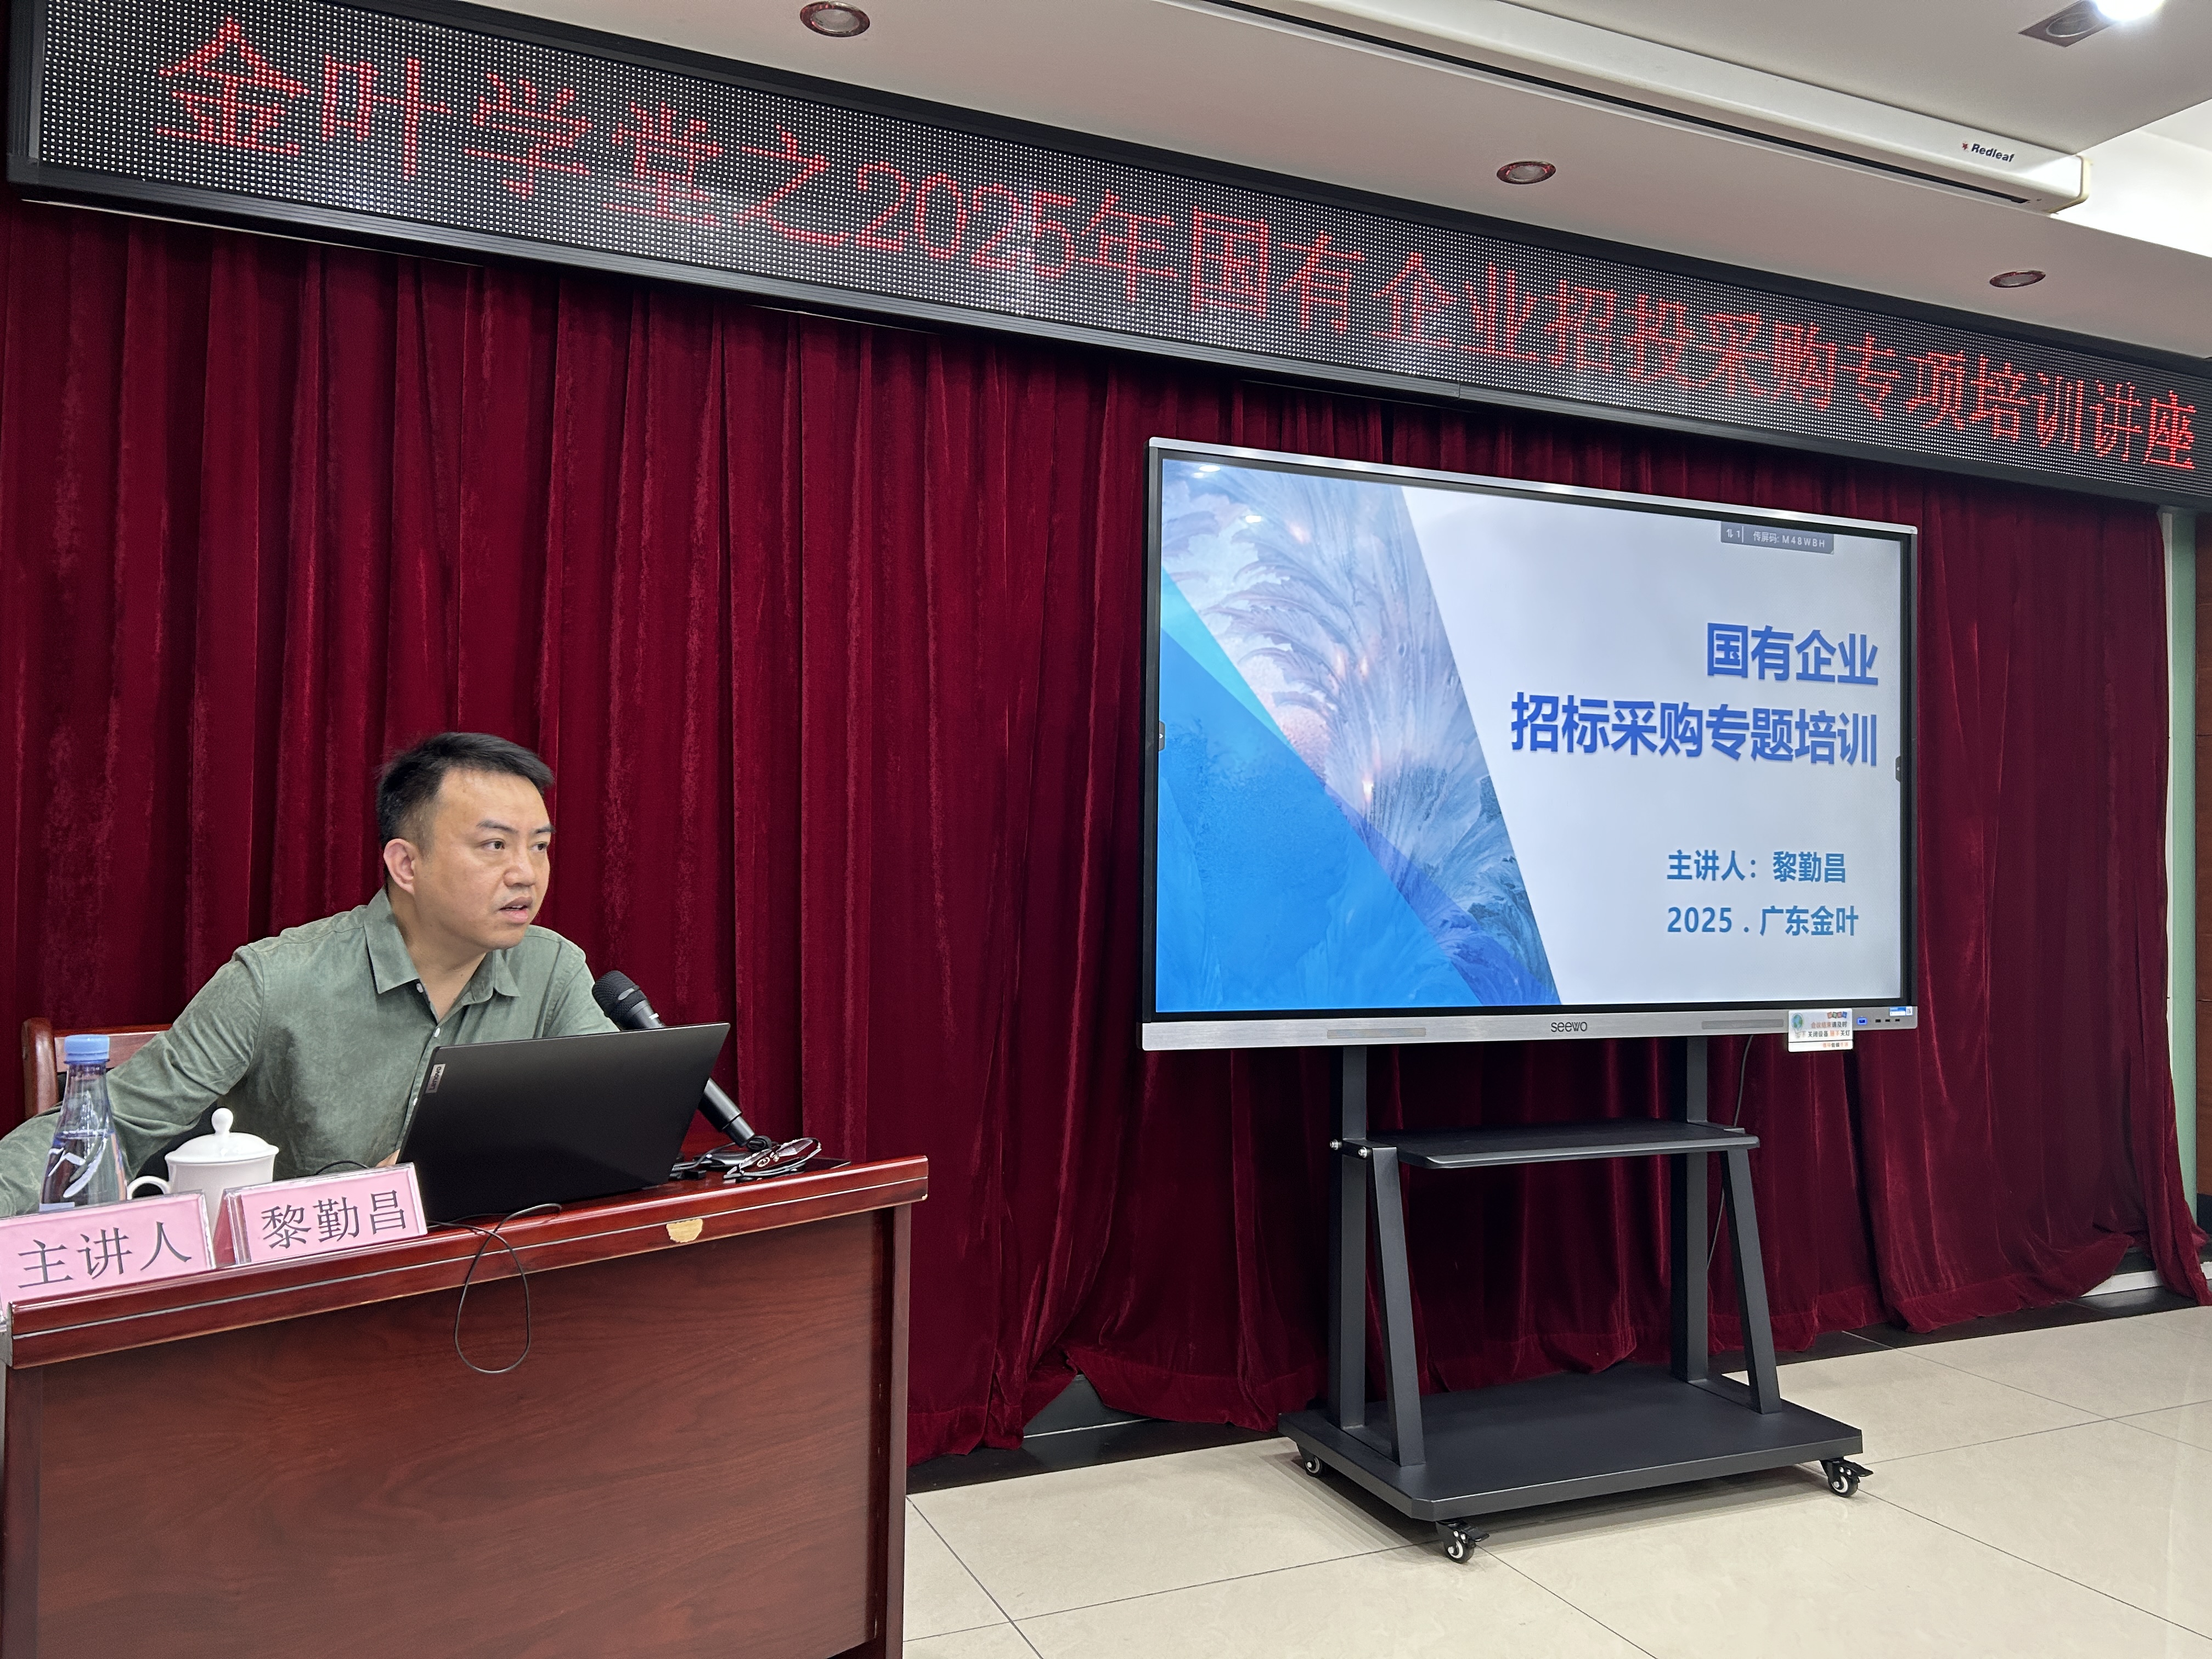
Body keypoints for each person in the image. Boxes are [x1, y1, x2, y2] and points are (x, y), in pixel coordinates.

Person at [0, 733, 615, 1216]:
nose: (526, 874)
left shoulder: (552, 967)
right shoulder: (273, 981)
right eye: (495, 846)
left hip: (484, 1277)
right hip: (305, 1291)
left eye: (539, 846)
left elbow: (607, 1115)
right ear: (406, 864)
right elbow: (109, 1126)